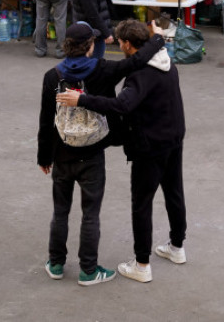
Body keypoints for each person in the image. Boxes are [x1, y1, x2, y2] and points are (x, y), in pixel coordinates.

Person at [56, 21, 186, 285]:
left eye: (119, 42)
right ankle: (177, 247)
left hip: (150, 147)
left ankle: (142, 264)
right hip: (173, 138)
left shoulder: (141, 74)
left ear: (127, 44)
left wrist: (81, 100)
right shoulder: (167, 63)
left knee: (142, 204)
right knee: (174, 192)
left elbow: (121, 105)